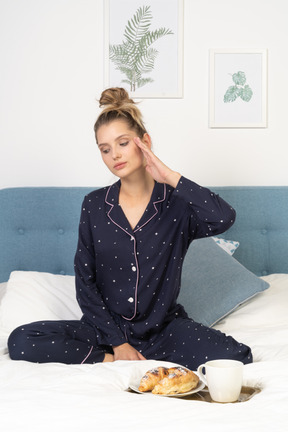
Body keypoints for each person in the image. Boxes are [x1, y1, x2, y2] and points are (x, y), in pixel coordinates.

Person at [8, 88, 252, 369]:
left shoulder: (177, 204)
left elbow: (223, 218)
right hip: (104, 333)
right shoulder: (94, 205)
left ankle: (143, 357)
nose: (115, 155)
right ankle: (118, 360)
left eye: (123, 143)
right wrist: (117, 347)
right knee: (21, 340)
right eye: (105, 149)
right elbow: (84, 280)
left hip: (164, 331)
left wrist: (169, 176)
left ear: (144, 142)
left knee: (237, 356)